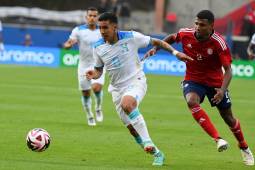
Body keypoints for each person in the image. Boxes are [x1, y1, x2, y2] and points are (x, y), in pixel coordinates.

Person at [145, 10, 254, 166]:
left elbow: (228, 70)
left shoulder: (219, 42)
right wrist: (157, 48)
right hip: (193, 79)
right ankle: (218, 139)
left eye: (202, 25)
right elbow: (171, 38)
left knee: (228, 118)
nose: (197, 27)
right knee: (191, 101)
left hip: (215, 83)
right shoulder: (186, 33)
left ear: (211, 26)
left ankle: (244, 147)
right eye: (196, 23)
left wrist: (222, 90)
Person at [86, 12, 192, 166]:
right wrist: (93, 74)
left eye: (105, 27)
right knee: (132, 129)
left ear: (114, 27)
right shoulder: (98, 47)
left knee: (127, 103)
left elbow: (157, 42)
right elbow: (98, 70)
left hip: (136, 81)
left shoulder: (131, 37)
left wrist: (176, 53)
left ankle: (148, 141)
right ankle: (157, 152)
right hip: (116, 89)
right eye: (100, 28)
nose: (102, 31)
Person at [63, 7, 105, 126]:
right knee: (86, 93)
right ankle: (89, 115)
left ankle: (98, 107)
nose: (92, 18)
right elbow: (68, 43)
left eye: (94, 16)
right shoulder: (78, 30)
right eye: (90, 15)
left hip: (98, 65)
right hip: (83, 66)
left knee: (96, 88)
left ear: (98, 18)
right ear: (86, 17)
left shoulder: (102, 30)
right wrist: (68, 45)